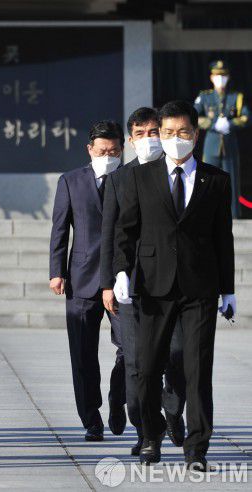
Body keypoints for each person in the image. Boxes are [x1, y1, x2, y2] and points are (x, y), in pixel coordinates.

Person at [113, 100, 235, 470]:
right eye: (168, 132)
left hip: (200, 287)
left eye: (182, 132)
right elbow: (126, 230)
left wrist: (228, 289)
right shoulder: (141, 177)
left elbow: (223, 237)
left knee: (197, 370)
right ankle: (151, 437)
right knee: (148, 367)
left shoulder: (216, 180)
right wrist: (121, 272)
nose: (174, 138)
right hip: (154, 286)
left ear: (195, 135)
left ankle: (196, 449)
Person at [100, 107, 186, 456]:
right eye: (140, 134)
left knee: (177, 356)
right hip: (131, 285)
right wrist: (108, 282)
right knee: (136, 363)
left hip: (174, 284)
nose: (148, 139)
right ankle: (147, 429)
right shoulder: (120, 179)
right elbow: (109, 234)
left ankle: (172, 409)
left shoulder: (179, 172)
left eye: (154, 132)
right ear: (131, 140)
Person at [49, 120, 126, 442]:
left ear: (122, 150)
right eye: (102, 151)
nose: (108, 157)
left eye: (114, 152)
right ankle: (91, 419)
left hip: (122, 279)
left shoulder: (131, 178)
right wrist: (56, 271)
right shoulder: (71, 181)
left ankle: (119, 397)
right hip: (82, 278)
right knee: (82, 355)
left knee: (130, 349)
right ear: (90, 149)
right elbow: (60, 228)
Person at [194, 60, 250, 218]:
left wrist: (230, 124)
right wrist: (213, 124)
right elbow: (193, 115)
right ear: (211, 78)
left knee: (232, 181)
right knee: (207, 180)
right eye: (217, 76)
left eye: (223, 76)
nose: (220, 79)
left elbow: (246, 117)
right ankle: (207, 215)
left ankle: (233, 216)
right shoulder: (205, 96)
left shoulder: (235, 97)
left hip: (229, 145)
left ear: (228, 77)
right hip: (211, 144)